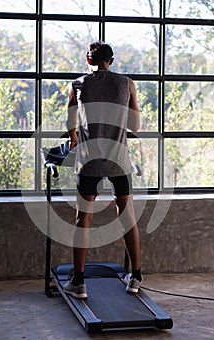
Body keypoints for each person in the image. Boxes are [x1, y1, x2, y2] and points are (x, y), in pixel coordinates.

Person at [64, 41, 142, 299]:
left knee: (83, 219)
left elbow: (70, 122)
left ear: (89, 61)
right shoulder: (127, 83)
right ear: (112, 60)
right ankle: (137, 277)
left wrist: (75, 138)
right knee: (126, 217)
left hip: (89, 160)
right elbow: (136, 126)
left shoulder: (78, 84)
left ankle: (79, 282)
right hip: (118, 159)